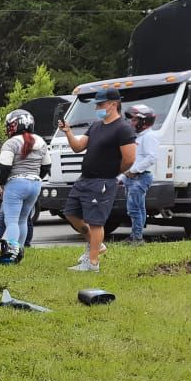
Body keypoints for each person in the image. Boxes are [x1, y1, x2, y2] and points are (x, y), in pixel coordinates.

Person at [59, 89, 136, 272]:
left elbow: (130, 158)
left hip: (103, 182)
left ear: (113, 104)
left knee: (96, 222)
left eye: (100, 104)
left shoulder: (123, 128)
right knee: (71, 213)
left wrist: (114, 172)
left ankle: (92, 263)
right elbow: (78, 147)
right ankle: (96, 244)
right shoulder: (95, 126)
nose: (97, 108)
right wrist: (68, 132)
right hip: (84, 180)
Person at [0, 109, 51, 264]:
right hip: (35, 183)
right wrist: (34, 177)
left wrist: (1, 185)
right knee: (23, 220)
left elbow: (4, 168)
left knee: (11, 221)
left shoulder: (11, 143)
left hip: (16, 183)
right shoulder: (41, 141)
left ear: (16, 125)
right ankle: (20, 252)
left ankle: (10, 254)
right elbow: (46, 166)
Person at [122, 103, 160, 245]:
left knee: (134, 208)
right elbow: (135, 159)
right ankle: (136, 235)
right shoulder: (138, 137)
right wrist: (123, 176)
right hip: (133, 177)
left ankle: (137, 238)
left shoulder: (149, 137)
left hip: (141, 177)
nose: (131, 122)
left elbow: (151, 158)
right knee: (139, 207)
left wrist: (133, 171)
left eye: (134, 120)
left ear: (144, 121)